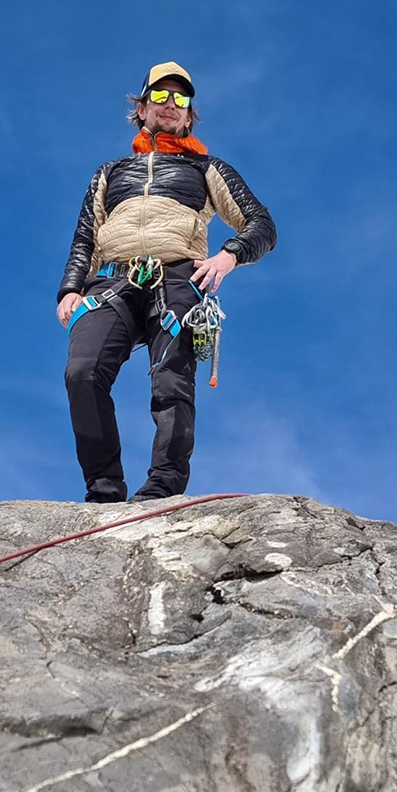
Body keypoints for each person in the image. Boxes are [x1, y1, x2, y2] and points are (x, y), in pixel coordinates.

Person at [56, 61, 276, 503]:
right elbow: (86, 237)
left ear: (190, 114)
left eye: (181, 98)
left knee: (171, 384)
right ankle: (104, 491)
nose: (171, 104)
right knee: (82, 373)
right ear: (141, 109)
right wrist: (70, 289)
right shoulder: (109, 173)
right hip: (112, 284)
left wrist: (230, 255)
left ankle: (162, 490)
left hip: (177, 279)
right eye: (160, 96)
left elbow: (261, 224)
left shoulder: (206, 169)